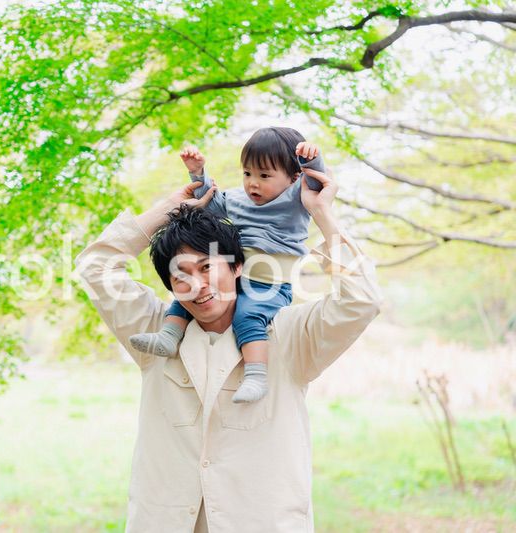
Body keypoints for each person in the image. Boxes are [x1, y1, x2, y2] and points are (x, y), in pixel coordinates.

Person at [74, 165, 383, 531]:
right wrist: (171, 208)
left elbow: (362, 301)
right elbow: (95, 268)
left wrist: (322, 213)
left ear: (237, 267)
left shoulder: (288, 336)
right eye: (181, 275)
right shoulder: (154, 335)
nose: (198, 284)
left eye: (208, 267)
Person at [129, 127, 325, 403]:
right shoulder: (237, 199)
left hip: (268, 284)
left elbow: (317, 183)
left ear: (293, 178)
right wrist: (198, 172)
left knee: (248, 317)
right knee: (188, 293)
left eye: (264, 176)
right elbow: (211, 201)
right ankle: (169, 336)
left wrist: (311, 160)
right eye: (247, 174)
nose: (253, 184)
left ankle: (256, 375)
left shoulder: (295, 200)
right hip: (233, 276)